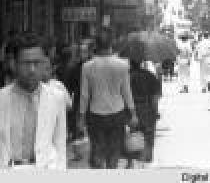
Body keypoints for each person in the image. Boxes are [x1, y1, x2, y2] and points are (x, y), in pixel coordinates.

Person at [0, 32, 67, 169]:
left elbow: (60, 143)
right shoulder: (2, 98)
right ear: (14, 64)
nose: (32, 70)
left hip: (45, 168)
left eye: (37, 63)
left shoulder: (56, 98)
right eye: (26, 63)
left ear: (44, 63)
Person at [77, 32, 138, 169]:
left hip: (95, 114)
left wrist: (81, 118)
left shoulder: (87, 67)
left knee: (97, 150)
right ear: (112, 44)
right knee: (114, 151)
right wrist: (133, 114)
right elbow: (127, 92)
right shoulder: (123, 65)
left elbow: (84, 95)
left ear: (96, 45)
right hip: (117, 113)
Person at [125, 58, 161, 168]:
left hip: (130, 110)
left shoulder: (126, 76)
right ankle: (144, 163)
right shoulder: (150, 76)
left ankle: (131, 163)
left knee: (132, 136)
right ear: (141, 62)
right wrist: (155, 112)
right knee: (148, 137)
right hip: (146, 109)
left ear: (130, 62)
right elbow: (155, 98)